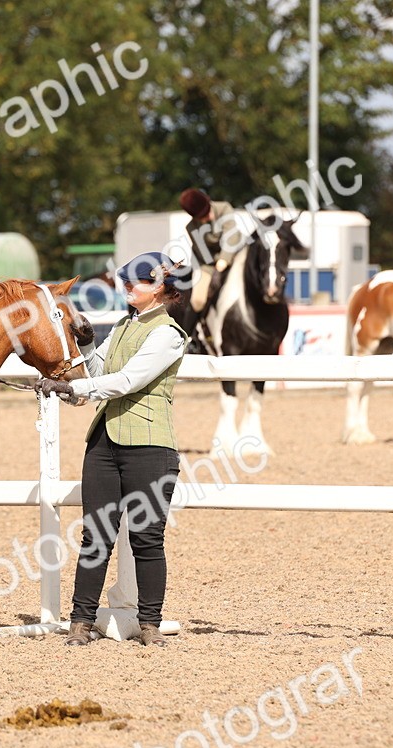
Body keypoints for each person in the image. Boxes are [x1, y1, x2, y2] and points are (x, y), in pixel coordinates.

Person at [35, 252, 187, 648]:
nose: (126, 288)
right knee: (96, 535)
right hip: (104, 443)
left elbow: (127, 381)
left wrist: (78, 387)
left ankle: (150, 622)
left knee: (147, 538)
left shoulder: (168, 334)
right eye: (126, 281)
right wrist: (65, 373)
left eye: (134, 282)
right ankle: (81, 621)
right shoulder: (121, 326)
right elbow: (96, 373)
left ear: (159, 288)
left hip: (150, 446)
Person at [180, 188, 249, 316]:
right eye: (203, 217)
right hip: (208, 265)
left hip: (236, 255)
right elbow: (204, 254)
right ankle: (195, 331)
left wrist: (224, 259)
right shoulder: (191, 228)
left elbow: (231, 236)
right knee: (197, 300)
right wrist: (218, 263)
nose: (208, 217)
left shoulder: (224, 208)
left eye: (208, 212)